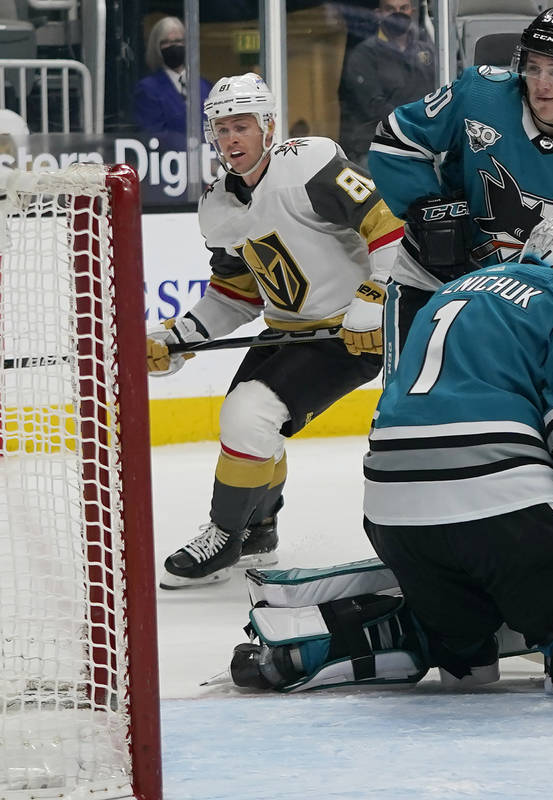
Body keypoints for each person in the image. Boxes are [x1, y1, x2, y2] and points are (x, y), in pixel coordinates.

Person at [225, 208, 553, 711]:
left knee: (464, 657)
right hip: (503, 504)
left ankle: (333, 644)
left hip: (394, 513)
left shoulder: (451, 292)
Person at [145, 74, 405, 588]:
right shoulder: (218, 206)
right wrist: (179, 338)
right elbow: (236, 294)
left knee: (250, 414)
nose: (231, 140)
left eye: (242, 126)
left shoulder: (307, 167)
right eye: (221, 130)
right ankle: (258, 528)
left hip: (346, 335)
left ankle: (224, 535)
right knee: (251, 426)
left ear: (267, 127)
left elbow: (388, 224)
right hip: (287, 332)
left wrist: (375, 299)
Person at [367, 7, 553, 413]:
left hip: (526, 307)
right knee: (405, 411)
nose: (541, 83)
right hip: (432, 281)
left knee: (511, 423)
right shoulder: (481, 93)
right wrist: (430, 208)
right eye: (533, 66)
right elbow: (394, 141)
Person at [337, 0, 437, 167]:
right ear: (378, 14)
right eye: (390, 9)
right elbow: (375, 106)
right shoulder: (364, 55)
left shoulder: (428, 52)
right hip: (379, 152)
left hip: (426, 149)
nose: (397, 14)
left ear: (411, 11)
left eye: (403, 8)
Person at [132, 16, 212, 150]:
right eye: (166, 42)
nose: (173, 46)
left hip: (209, 165)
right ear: (156, 47)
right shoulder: (147, 89)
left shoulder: (204, 86)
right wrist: (196, 154)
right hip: (169, 164)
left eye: (178, 41)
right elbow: (154, 133)